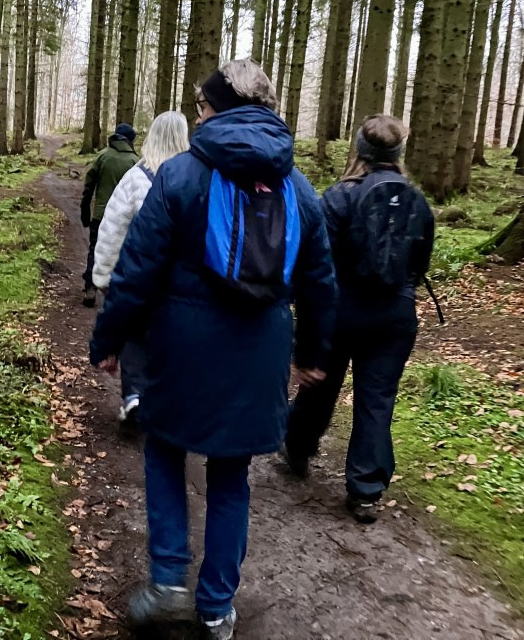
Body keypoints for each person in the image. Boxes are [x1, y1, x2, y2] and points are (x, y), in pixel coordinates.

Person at [89, 60, 337, 639]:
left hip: (181, 347)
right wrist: (311, 354)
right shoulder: (300, 188)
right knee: (231, 477)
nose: (198, 114)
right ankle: (218, 607)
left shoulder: (178, 177)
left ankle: (169, 582)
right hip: (261, 352)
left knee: (164, 454)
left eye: (202, 105)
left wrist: (110, 339)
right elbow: (322, 282)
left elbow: (136, 271)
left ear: (219, 108)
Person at [283, 115, 435, 525]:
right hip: (394, 315)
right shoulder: (416, 200)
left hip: (341, 310)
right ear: (398, 153)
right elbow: (420, 262)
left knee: (319, 386)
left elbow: (315, 265)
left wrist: (305, 333)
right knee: (377, 400)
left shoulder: (336, 197)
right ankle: (366, 491)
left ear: (359, 151)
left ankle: (297, 450)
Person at [92, 111, 191, 425]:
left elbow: (112, 229)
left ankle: (134, 395)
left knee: (135, 335)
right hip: (181, 283)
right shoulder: (196, 176)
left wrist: (104, 275)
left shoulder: (136, 177)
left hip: (139, 276)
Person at [81, 123, 138, 307]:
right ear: (130, 141)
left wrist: (84, 209)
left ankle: (90, 288)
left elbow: (88, 185)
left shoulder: (103, 156)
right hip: (123, 218)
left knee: (95, 250)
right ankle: (117, 294)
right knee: (121, 254)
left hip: (100, 215)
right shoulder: (134, 162)